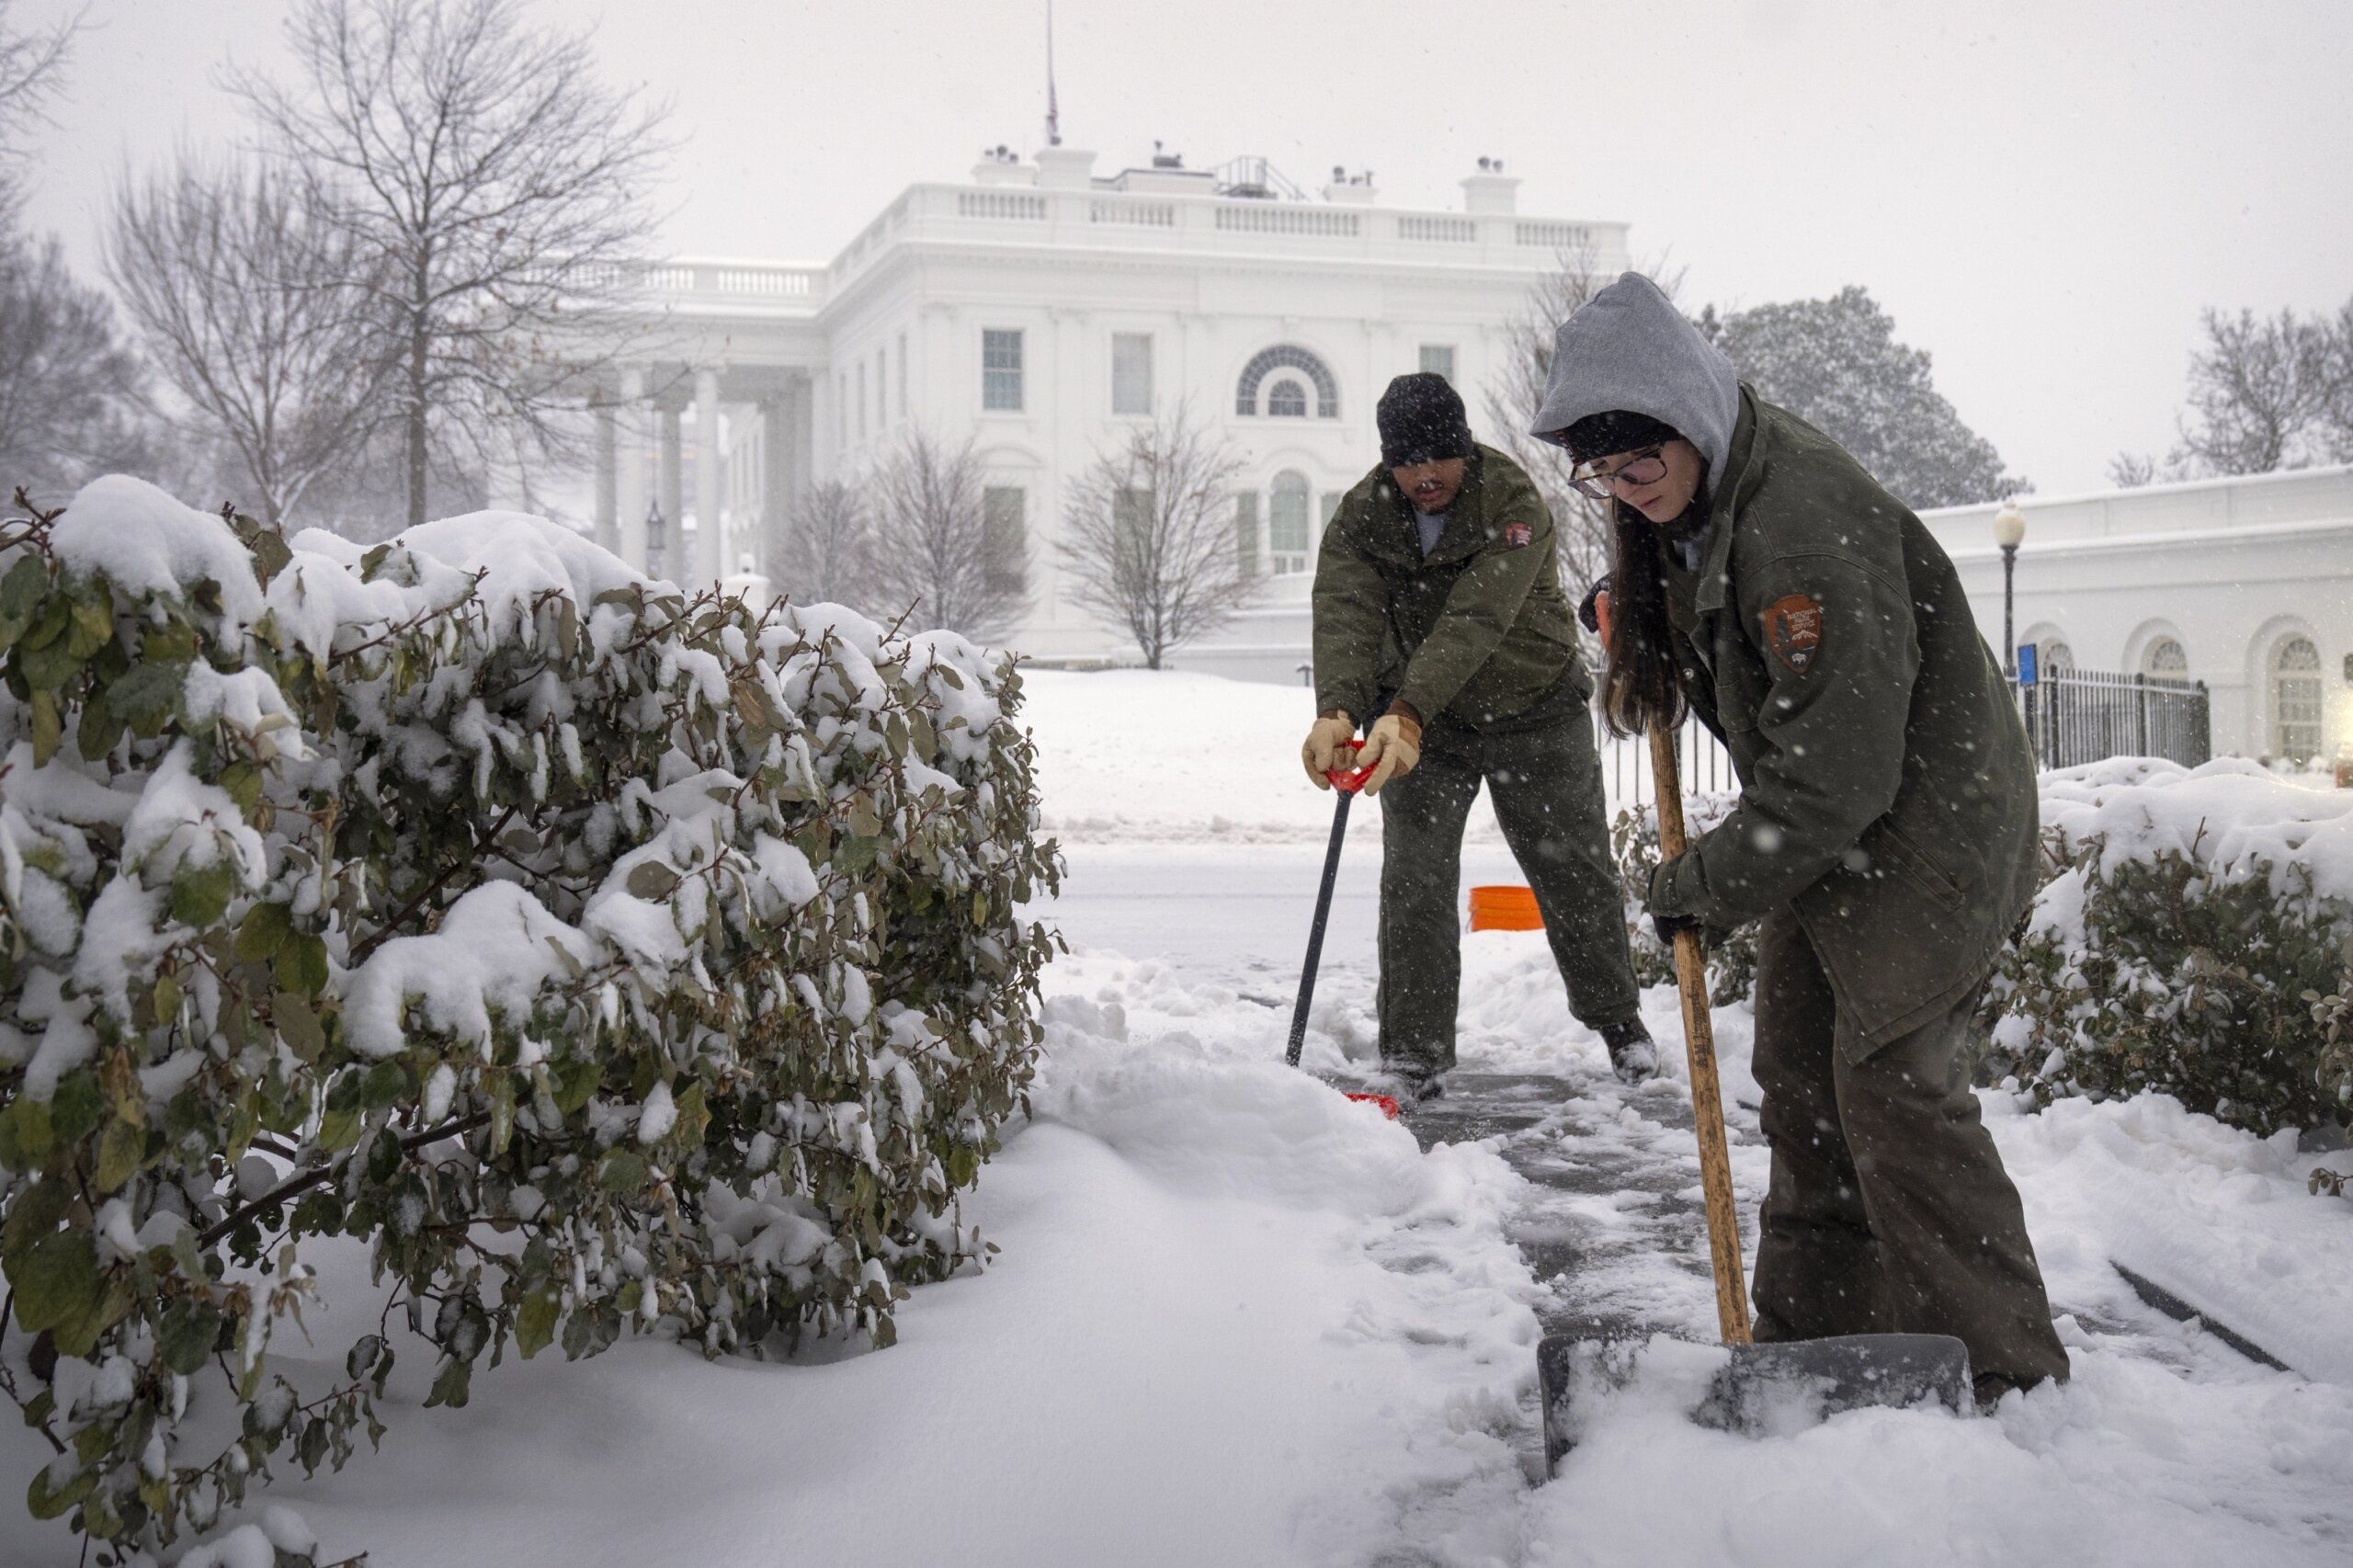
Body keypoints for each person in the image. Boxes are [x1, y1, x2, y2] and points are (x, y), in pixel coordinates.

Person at [1530, 272, 2070, 1402]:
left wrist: (1698, 884)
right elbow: (1725, 635)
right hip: (1834, 832)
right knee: (1799, 1079)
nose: (1625, 491)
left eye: (1638, 465)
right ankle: (1813, 1346)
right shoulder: (1711, 489)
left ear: (1688, 422)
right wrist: (1631, 611)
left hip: (1923, 833)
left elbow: (1838, 780)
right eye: (1603, 473)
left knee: (1893, 1088)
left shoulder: (1803, 532)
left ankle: (2011, 1376)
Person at [1302, 371, 1657, 1104]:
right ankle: (1414, 1055)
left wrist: (1405, 709)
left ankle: (1620, 1025)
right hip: (1426, 730)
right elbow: (1345, 609)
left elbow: (1476, 618)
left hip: (1533, 710)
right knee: (1414, 880)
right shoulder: (1364, 516)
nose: (1424, 476)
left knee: (1573, 873)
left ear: (1465, 449)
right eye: (1406, 462)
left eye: (1439, 458)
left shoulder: (1511, 502)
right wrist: (1338, 709)